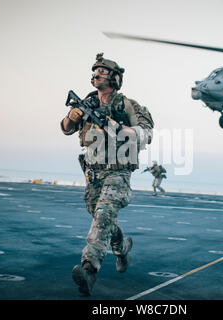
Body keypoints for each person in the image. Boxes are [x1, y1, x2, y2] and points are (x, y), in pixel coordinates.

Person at [60, 53, 154, 295]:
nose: (96, 74)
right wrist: (72, 116)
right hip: (93, 175)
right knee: (101, 218)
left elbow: (147, 133)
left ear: (114, 77)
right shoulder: (86, 104)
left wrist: (120, 128)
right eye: (95, 70)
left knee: (103, 216)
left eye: (102, 71)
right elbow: (66, 129)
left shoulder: (127, 105)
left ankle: (89, 269)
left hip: (118, 174)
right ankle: (122, 246)